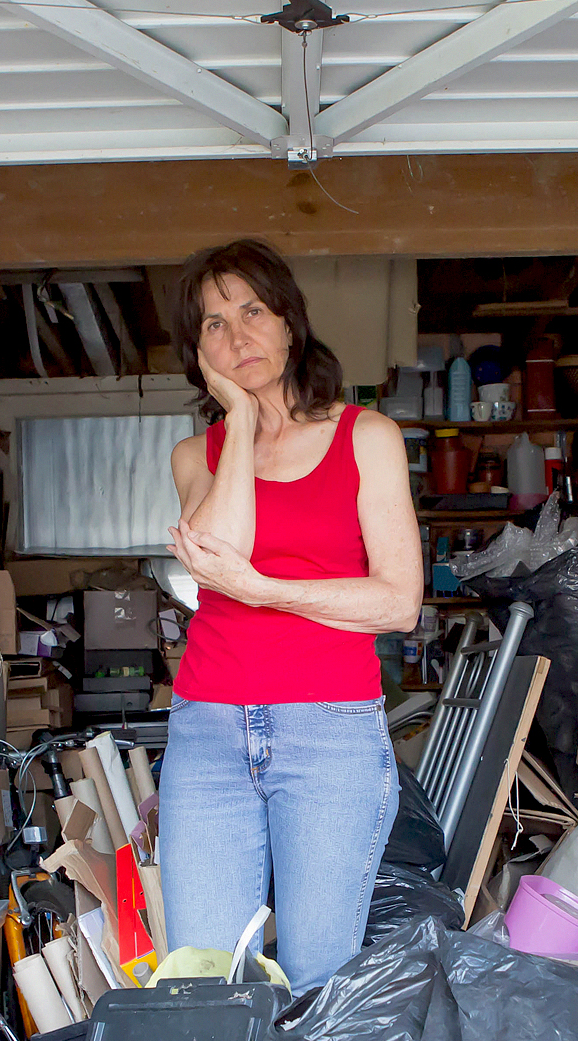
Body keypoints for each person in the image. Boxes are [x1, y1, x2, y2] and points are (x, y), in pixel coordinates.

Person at [159, 239, 423, 989]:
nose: (237, 336)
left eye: (251, 311)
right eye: (213, 323)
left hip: (328, 734)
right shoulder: (195, 453)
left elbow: (398, 603)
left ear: (288, 322)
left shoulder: (365, 437)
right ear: (198, 350)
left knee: (316, 973)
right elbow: (218, 548)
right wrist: (241, 421)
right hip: (208, 730)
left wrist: (265, 590)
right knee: (202, 976)